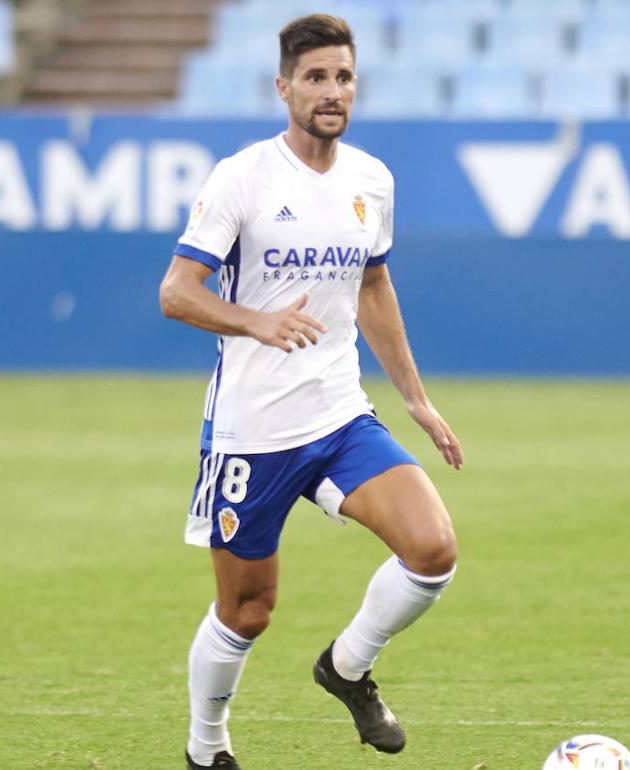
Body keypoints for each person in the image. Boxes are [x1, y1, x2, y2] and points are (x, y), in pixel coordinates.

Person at [158, 14, 462, 770]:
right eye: (318, 77)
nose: (333, 92)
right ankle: (206, 749)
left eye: (345, 77)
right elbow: (176, 292)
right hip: (252, 431)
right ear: (284, 87)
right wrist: (253, 321)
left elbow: (374, 283)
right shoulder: (243, 178)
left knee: (432, 551)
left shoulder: (371, 180)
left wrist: (416, 399)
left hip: (338, 415)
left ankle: (347, 666)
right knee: (247, 610)